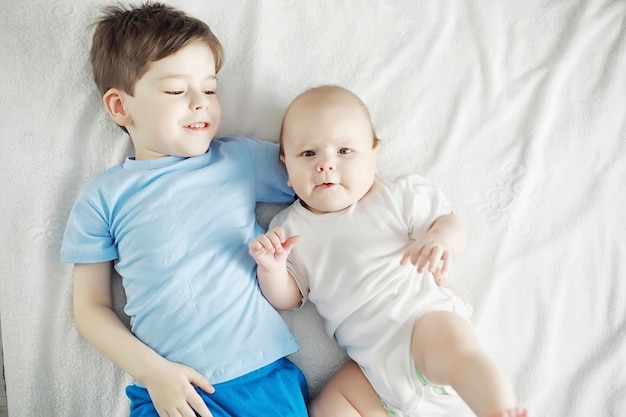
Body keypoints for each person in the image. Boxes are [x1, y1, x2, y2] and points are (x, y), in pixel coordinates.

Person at [60, 3, 308, 417]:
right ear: (121, 106)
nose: (201, 103)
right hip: (170, 390)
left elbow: (317, 179)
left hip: (262, 379)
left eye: (210, 89)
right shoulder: (102, 197)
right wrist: (154, 372)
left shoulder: (239, 160)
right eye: (177, 90)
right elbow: (90, 308)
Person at [248, 85, 528, 417]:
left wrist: (441, 239)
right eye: (308, 154)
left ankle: (498, 409)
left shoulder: (395, 196)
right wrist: (272, 268)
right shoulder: (288, 229)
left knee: (457, 349)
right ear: (287, 168)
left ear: (373, 155)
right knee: (327, 407)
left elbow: (450, 223)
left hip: (422, 322)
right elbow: (289, 299)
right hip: (371, 369)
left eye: (345, 151)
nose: (326, 165)